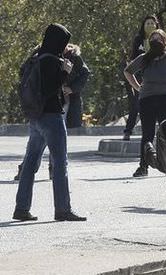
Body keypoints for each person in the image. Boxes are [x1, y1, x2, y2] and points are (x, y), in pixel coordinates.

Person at [13, 23, 86, 222]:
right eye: (64, 42)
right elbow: (50, 89)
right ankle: (63, 209)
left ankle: (21, 208)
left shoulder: (36, 58)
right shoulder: (53, 61)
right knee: (61, 163)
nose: (65, 46)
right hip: (52, 117)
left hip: (35, 117)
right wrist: (65, 72)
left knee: (29, 163)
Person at [13, 43, 90, 181]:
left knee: (52, 138)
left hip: (61, 101)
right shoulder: (40, 52)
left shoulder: (72, 56)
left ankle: (51, 170)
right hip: (39, 103)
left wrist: (72, 88)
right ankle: (27, 170)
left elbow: (85, 73)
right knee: (39, 140)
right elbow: (24, 71)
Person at [124, 29, 166, 177]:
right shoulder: (143, 58)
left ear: (165, 42)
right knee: (147, 134)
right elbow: (128, 71)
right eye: (153, 39)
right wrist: (137, 87)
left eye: (159, 39)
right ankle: (143, 166)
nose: (155, 41)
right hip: (147, 99)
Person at [123, 15, 160, 141]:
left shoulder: (160, 38)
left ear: (156, 25)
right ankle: (128, 131)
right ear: (143, 26)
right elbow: (133, 56)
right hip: (139, 75)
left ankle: (163, 131)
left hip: (157, 75)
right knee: (136, 103)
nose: (150, 25)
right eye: (147, 23)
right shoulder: (138, 39)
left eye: (152, 23)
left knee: (160, 103)